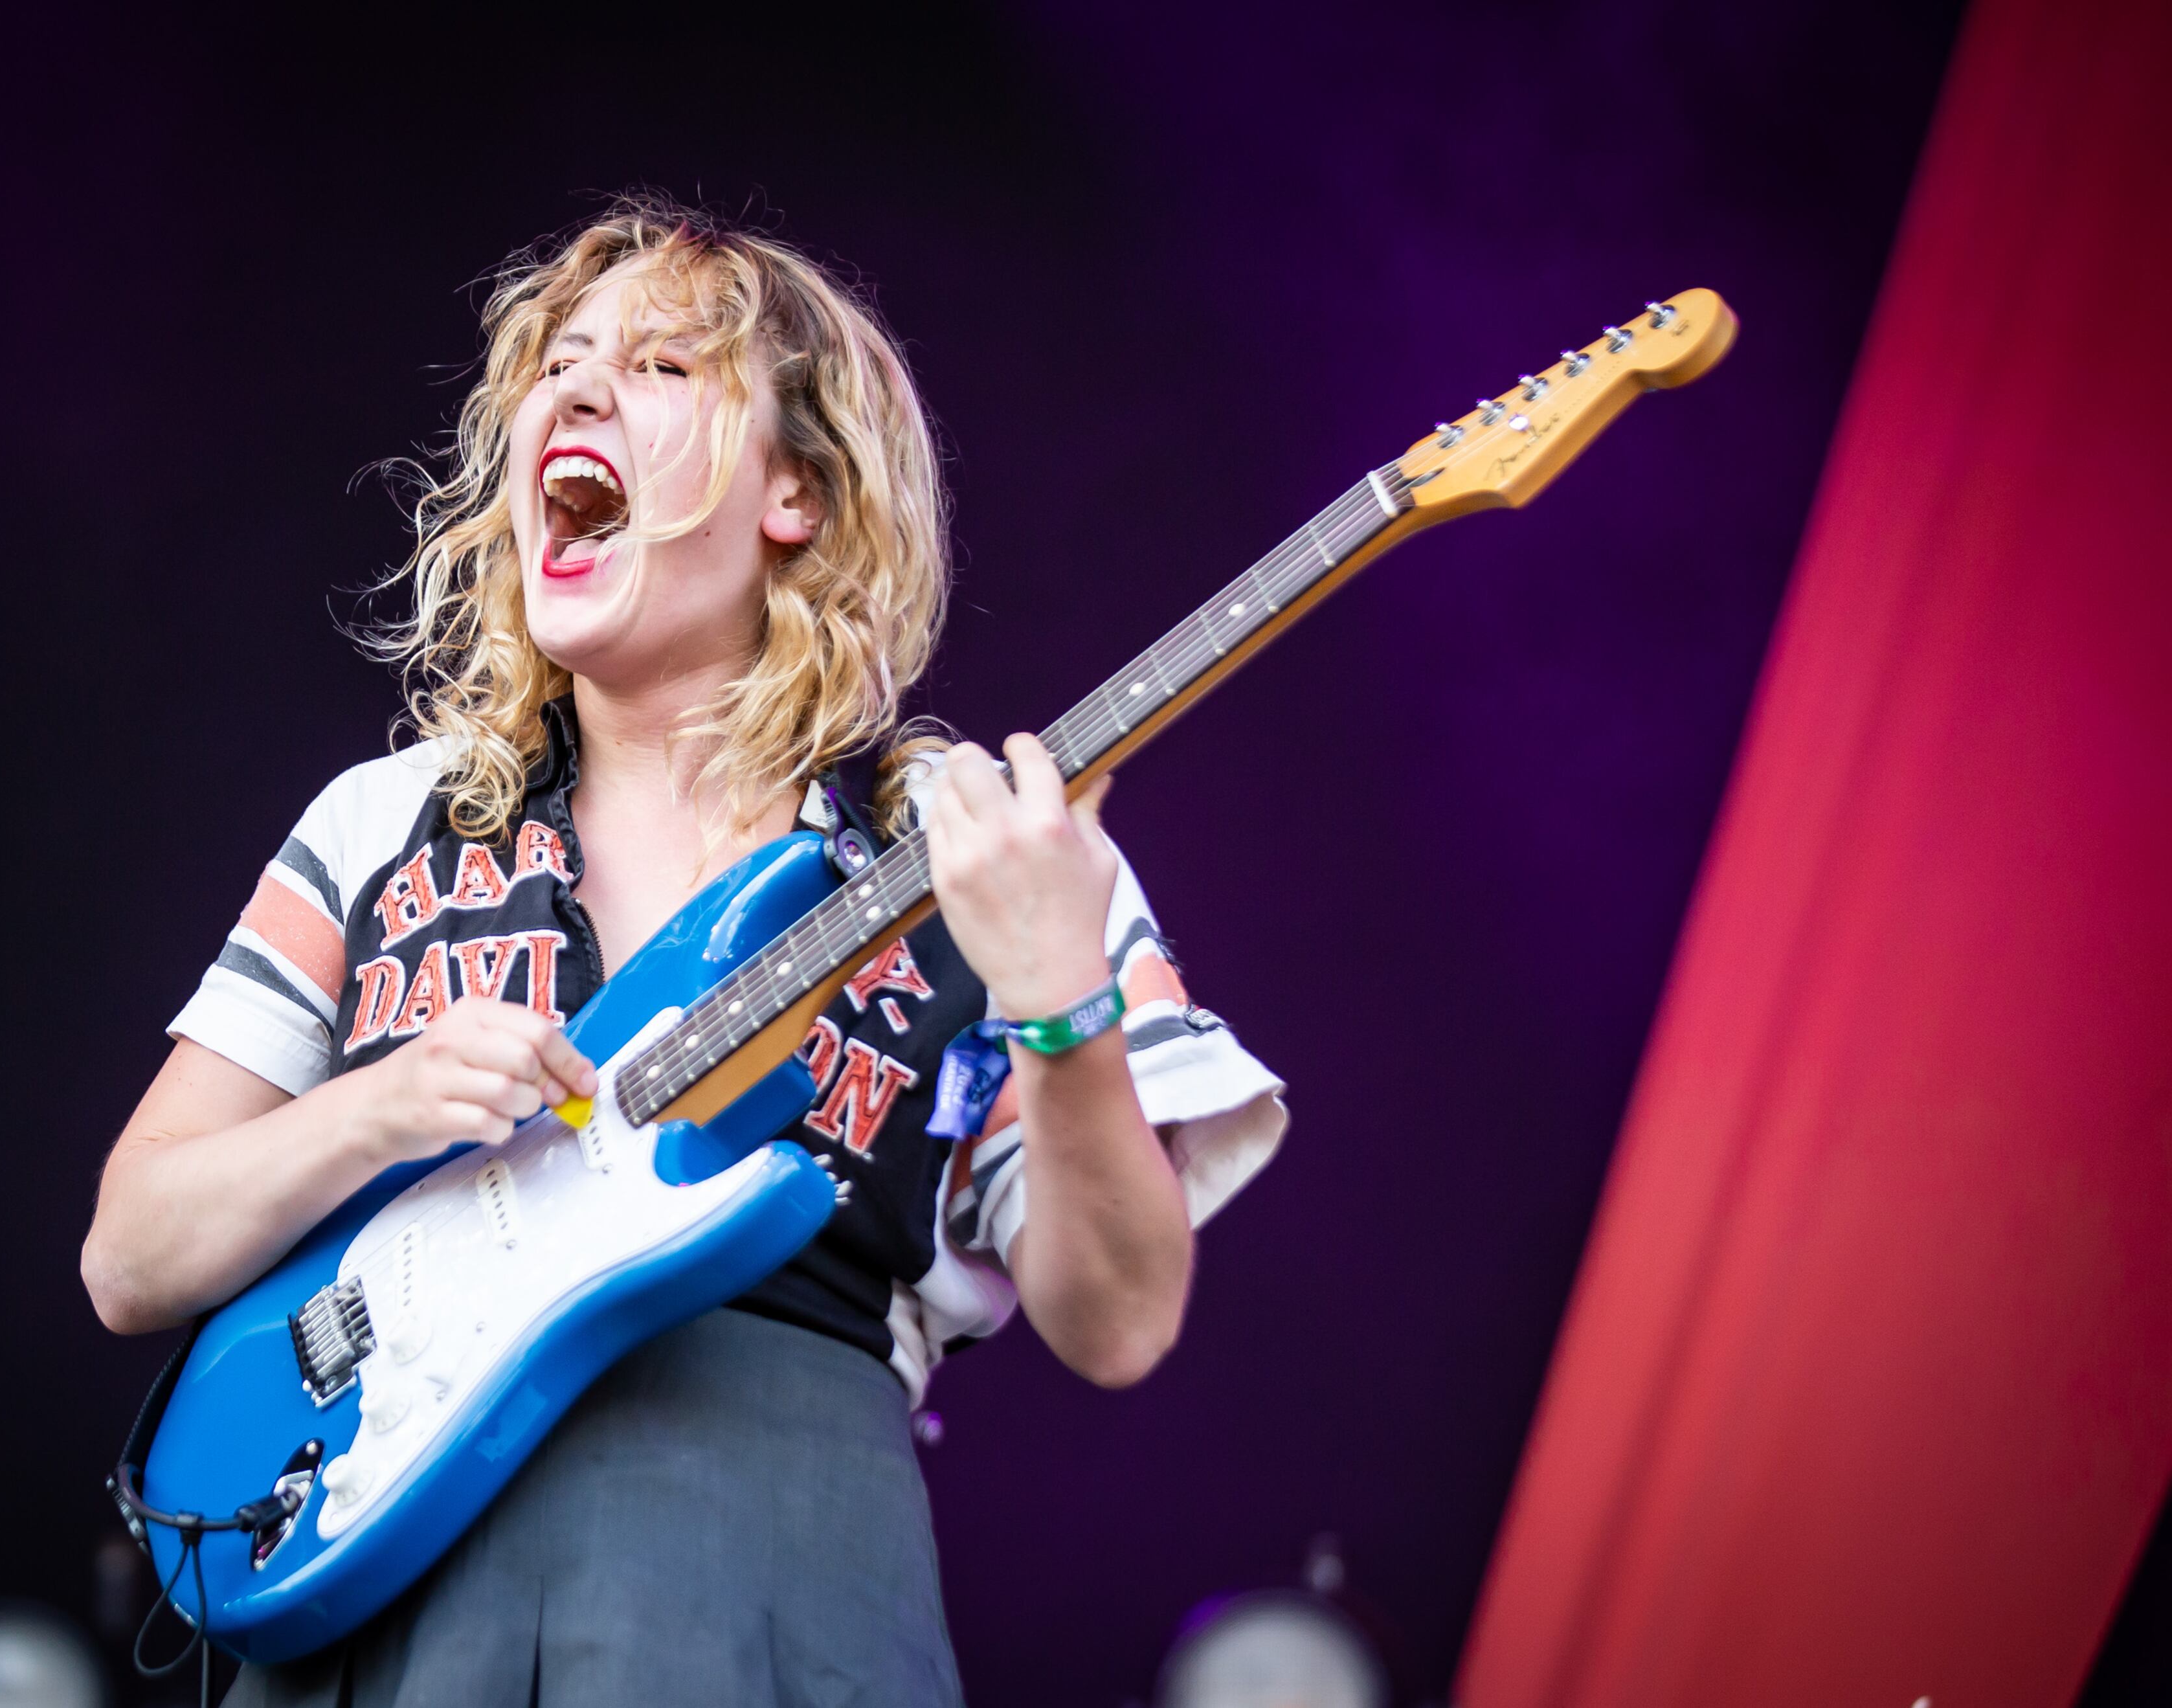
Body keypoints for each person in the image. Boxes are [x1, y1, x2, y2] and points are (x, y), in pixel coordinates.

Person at [80, 196, 1288, 1707]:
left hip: (769, 1577)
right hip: (370, 1585)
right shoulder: (384, 822)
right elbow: (130, 1254)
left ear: (794, 492)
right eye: (561, 362)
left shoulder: (987, 852)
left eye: (659, 367)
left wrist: (1058, 999)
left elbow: (1118, 1319)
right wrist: (370, 1112)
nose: (575, 391)